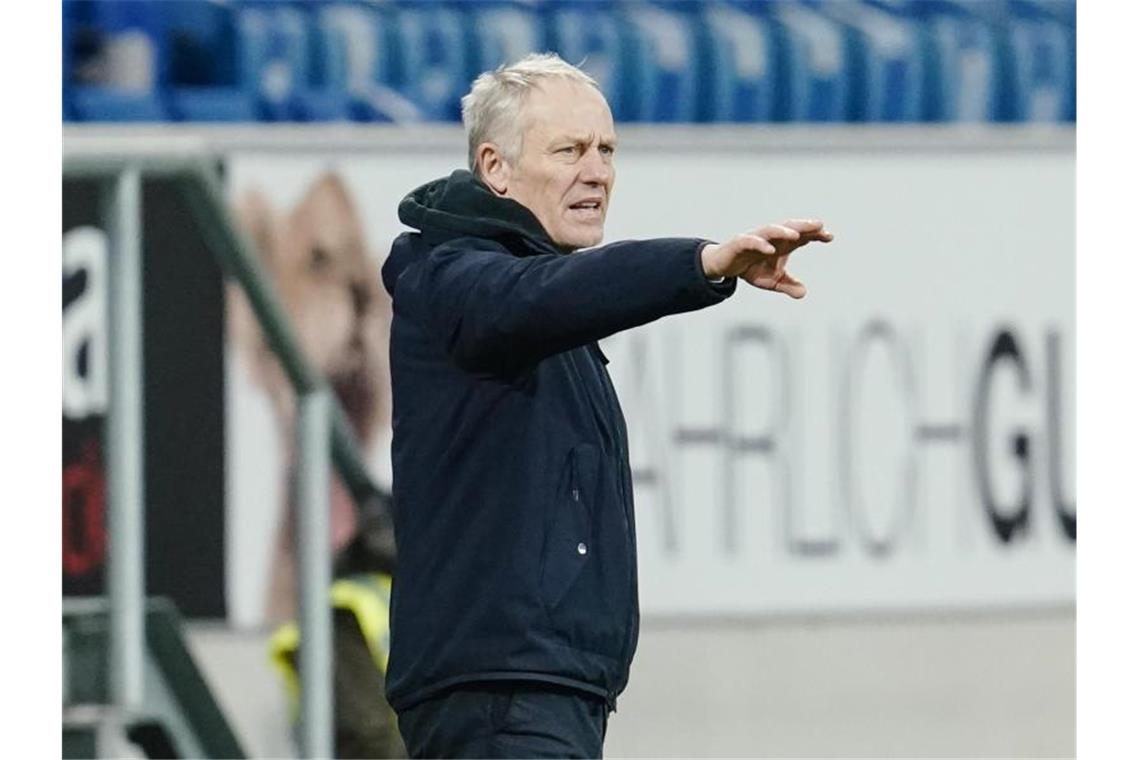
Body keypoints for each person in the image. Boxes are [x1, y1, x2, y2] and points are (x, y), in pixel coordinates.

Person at [380, 53, 833, 758]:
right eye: (569, 150)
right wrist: (702, 264)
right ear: (496, 168)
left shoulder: (538, 301)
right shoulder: (455, 281)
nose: (597, 171)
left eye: (607, 150)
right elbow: (551, 296)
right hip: (500, 701)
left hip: (544, 695)